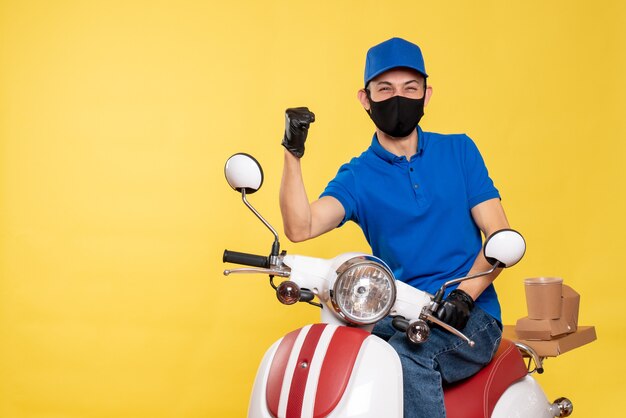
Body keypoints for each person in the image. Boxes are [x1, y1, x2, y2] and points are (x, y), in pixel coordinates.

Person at [279, 37, 510, 418]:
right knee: (344, 356)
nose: (397, 98)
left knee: (407, 361)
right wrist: (292, 152)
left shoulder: (460, 151)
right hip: (396, 311)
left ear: (426, 94)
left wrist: (464, 298)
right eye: (385, 89)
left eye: (410, 88)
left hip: (471, 318)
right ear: (365, 99)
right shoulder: (358, 175)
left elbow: (499, 235)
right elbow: (300, 227)